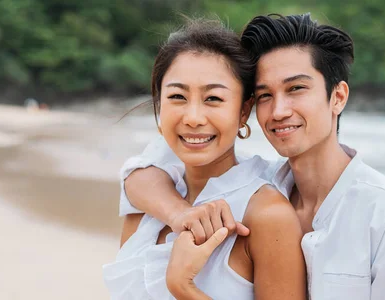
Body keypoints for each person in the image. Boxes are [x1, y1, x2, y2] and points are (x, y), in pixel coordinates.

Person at [119, 13, 385, 299]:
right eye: (265, 95)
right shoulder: (259, 183)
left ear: (337, 96)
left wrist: (184, 288)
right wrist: (179, 215)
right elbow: (140, 174)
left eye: (296, 89)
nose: (279, 111)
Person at [102, 18, 307, 300]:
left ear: (244, 111)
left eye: (213, 98)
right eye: (177, 96)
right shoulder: (148, 210)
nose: (193, 118)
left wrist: (184, 288)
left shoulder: (266, 215)